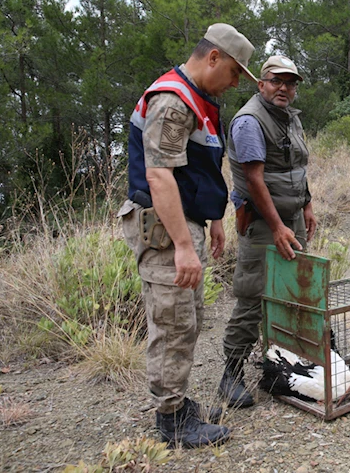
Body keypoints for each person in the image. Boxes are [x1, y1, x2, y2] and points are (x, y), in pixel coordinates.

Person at [118, 23, 256, 447]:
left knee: (188, 318)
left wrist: (214, 218)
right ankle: (172, 420)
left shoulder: (199, 100)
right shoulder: (173, 100)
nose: (235, 83)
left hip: (185, 224)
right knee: (173, 323)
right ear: (212, 57)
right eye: (234, 72)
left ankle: (179, 403)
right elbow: (159, 177)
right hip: (164, 231)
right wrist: (182, 246)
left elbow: (197, 170)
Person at [218, 55, 317, 407]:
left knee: (294, 289)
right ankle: (230, 375)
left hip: (290, 218)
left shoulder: (289, 118)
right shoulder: (249, 121)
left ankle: (281, 367)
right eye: (277, 81)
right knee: (253, 295)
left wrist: (306, 203)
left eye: (290, 83)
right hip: (262, 223)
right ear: (261, 83)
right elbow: (254, 179)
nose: (284, 88)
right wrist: (276, 226)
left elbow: (298, 166)